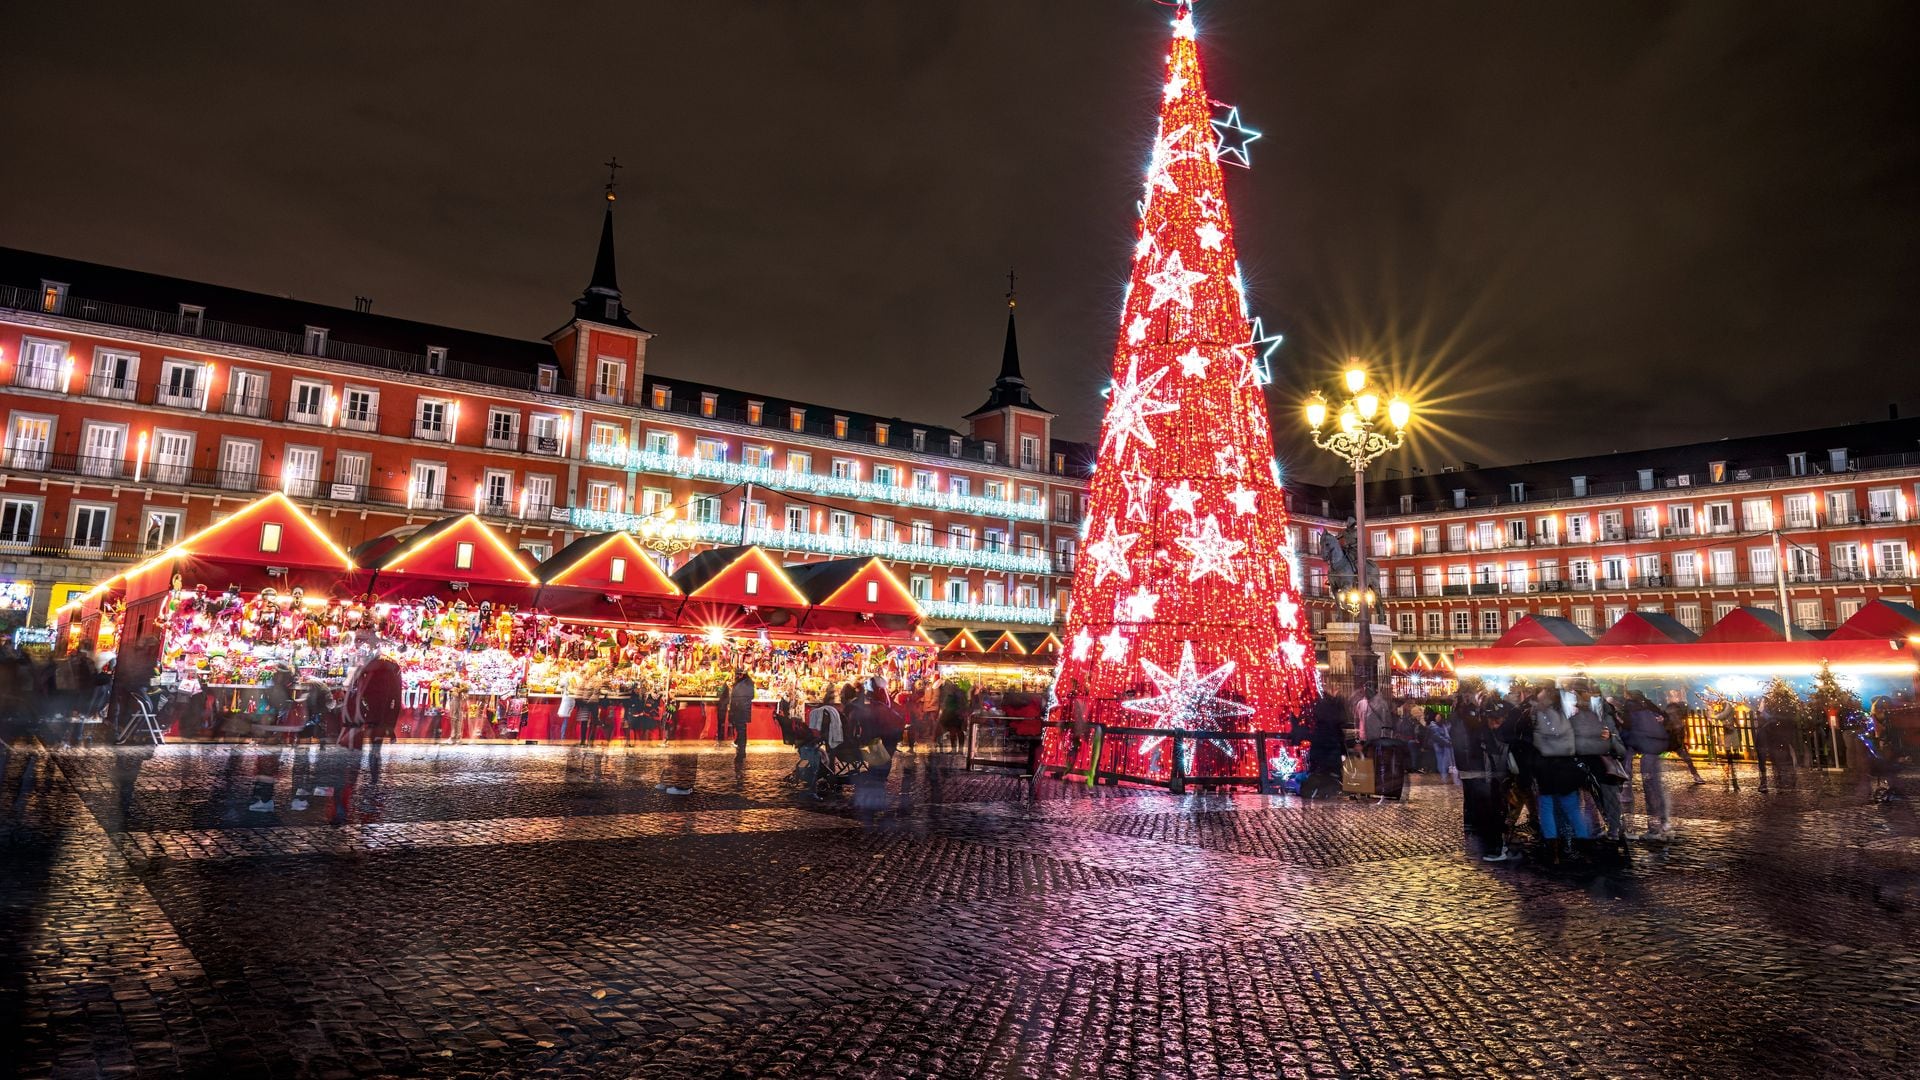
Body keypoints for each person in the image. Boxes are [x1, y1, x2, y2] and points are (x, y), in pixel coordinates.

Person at [1530, 683, 1589, 860]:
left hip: (1547, 768)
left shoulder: (1538, 715)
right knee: (1573, 809)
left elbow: (1534, 740)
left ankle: (1553, 849)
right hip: (1567, 767)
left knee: (1547, 808)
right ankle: (1584, 847)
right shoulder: (1567, 714)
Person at [1456, 700, 1516, 860]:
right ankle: (1496, 846)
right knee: (1492, 812)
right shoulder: (1488, 733)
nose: (1495, 723)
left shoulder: (1489, 732)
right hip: (1491, 778)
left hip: (1492, 779)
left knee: (1494, 812)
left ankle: (1497, 846)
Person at [1569, 685, 1628, 843]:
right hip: (1594, 760)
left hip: (1601, 760)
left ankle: (1612, 827)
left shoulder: (1598, 716)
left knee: (1604, 796)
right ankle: (1610, 827)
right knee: (1600, 796)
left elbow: (1616, 741)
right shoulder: (1584, 717)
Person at [1623, 690, 1673, 840]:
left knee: (1650, 790)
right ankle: (1663, 823)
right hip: (1654, 751)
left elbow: (1630, 734)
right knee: (1655, 789)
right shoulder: (1649, 710)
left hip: (1647, 753)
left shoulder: (1632, 711)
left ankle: (1654, 829)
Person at [729, 669, 755, 753]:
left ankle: (742, 747)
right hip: (741, 709)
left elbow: (739, 696)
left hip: (740, 709)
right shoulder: (746, 682)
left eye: (738, 674)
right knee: (741, 728)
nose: (737, 676)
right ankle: (740, 744)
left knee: (741, 728)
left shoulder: (743, 684)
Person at [1428, 709, 1456, 783]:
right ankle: (1444, 776)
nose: (1438, 719)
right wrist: (1447, 742)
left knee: (1443, 761)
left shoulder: (1442, 726)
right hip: (1439, 746)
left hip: (1442, 745)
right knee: (1441, 761)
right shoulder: (1435, 726)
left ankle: (1445, 777)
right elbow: (1437, 737)